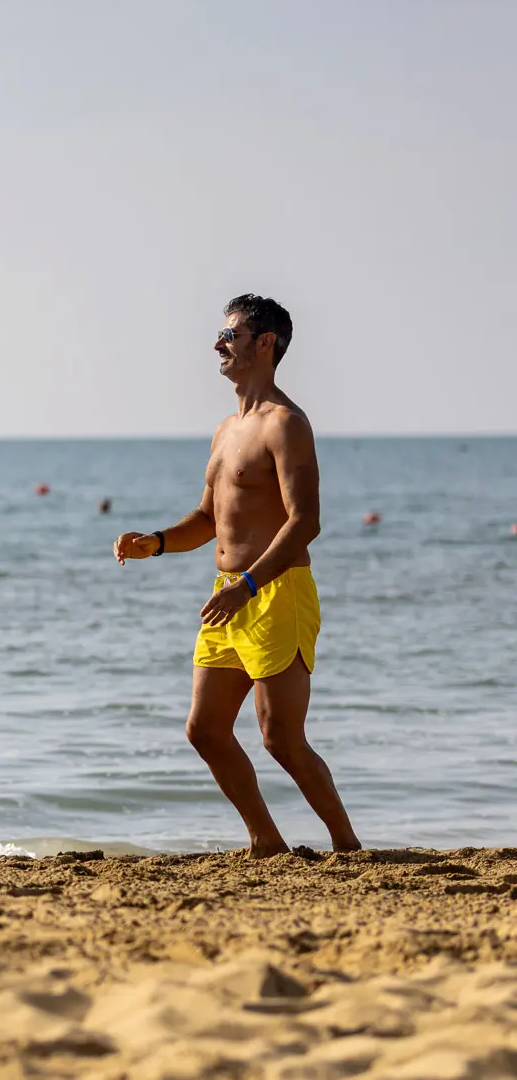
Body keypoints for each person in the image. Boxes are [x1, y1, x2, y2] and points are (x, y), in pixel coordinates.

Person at [113, 294, 360, 858]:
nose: (219, 344)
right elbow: (207, 519)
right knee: (205, 729)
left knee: (280, 738)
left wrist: (249, 584)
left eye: (232, 334)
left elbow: (305, 523)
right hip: (227, 596)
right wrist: (156, 543)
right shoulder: (227, 429)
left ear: (265, 343)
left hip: (275, 592)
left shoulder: (286, 424)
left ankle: (348, 847)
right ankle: (265, 840)